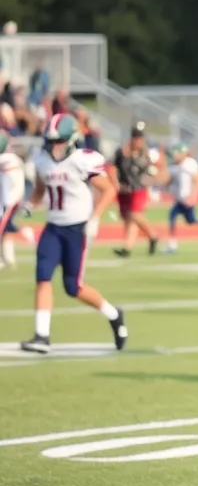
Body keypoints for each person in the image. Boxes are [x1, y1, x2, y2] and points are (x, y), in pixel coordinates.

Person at [20, 114, 127, 353]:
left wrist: (95, 218)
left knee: (73, 287)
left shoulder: (82, 160)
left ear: (70, 140)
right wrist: (31, 204)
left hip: (76, 228)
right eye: (50, 140)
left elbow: (109, 190)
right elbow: (40, 188)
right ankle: (42, 336)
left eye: (58, 141)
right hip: (53, 226)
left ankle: (113, 314)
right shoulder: (42, 160)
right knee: (43, 276)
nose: (53, 145)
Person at [110, 122, 159, 257]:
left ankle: (152, 235)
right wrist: (116, 183)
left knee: (134, 214)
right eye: (135, 138)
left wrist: (150, 182)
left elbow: (153, 171)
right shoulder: (122, 152)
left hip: (139, 189)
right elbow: (113, 167)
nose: (138, 141)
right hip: (125, 189)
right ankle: (128, 247)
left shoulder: (146, 153)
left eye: (139, 138)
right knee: (128, 218)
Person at [162, 142, 198, 254]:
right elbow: (170, 180)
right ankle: (172, 244)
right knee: (179, 218)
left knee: (186, 220)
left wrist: (193, 196)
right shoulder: (177, 165)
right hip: (180, 199)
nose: (174, 155)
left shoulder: (189, 164)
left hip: (187, 198)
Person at [0, 129, 27, 269]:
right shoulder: (8, 158)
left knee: (3, 228)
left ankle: (5, 259)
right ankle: (8, 259)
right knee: (7, 229)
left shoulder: (9, 158)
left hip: (12, 200)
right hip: (7, 199)